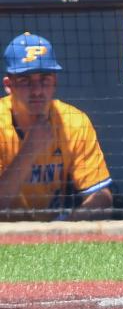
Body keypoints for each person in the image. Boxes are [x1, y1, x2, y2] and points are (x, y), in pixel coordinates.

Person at [0, 33, 113, 220]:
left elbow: (102, 197)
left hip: (55, 231)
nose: (36, 90)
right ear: (8, 85)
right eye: (25, 80)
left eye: (44, 79)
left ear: (55, 82)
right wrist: (29, 151)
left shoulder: (74, 122)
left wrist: (64, 230)